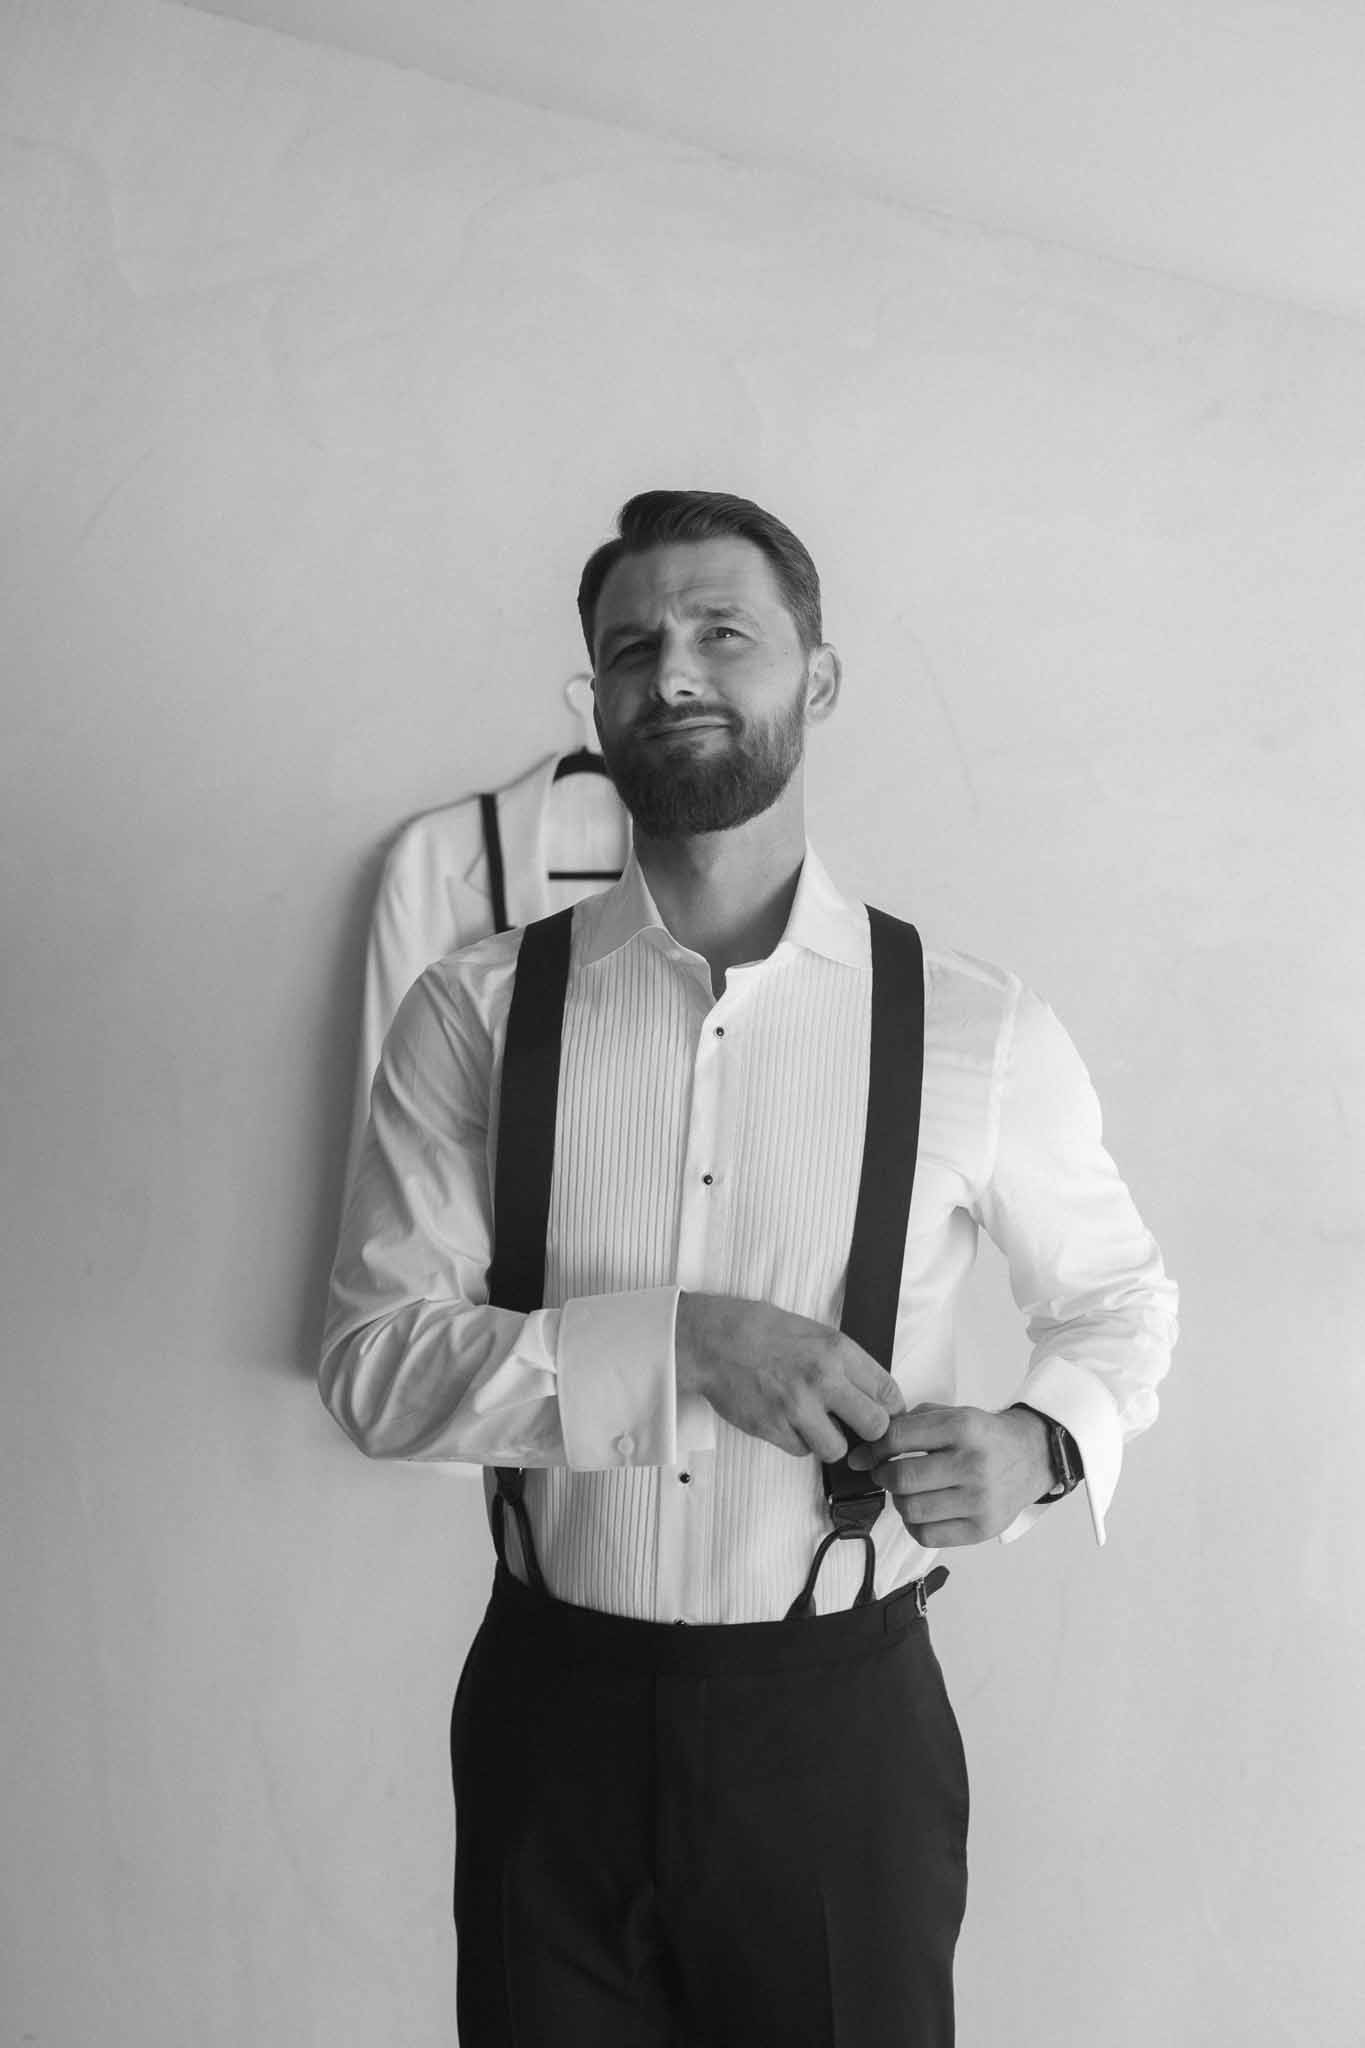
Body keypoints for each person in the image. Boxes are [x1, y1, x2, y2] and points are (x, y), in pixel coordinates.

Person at [320, 489, 1178, 2047]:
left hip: (837, 1731)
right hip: (545, 1718)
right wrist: (682, 1347)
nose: (677, 672)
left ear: (817, 679)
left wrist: (1044, 1443)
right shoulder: (476, 1012)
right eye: (633, 646)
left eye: (725, 632)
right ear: (595, 701)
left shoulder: (975, 1029)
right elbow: (375, 1372)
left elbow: (1117, 1301)